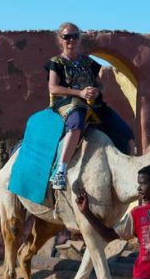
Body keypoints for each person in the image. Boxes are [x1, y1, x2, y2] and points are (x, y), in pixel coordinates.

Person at [46, 22, 136, 190]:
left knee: (125, 131)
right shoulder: (56, 62)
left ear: (79, 39)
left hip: (93, 104)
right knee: (76, 123)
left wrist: (96, 91)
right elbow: (53, 88)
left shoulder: (89, 62)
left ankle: (130, 169)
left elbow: (101, 84)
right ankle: (61, 170)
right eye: (67, 37)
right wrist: (79, 93)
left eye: (75, 36)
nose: (71, 40)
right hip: (67, 102)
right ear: (60, 39)